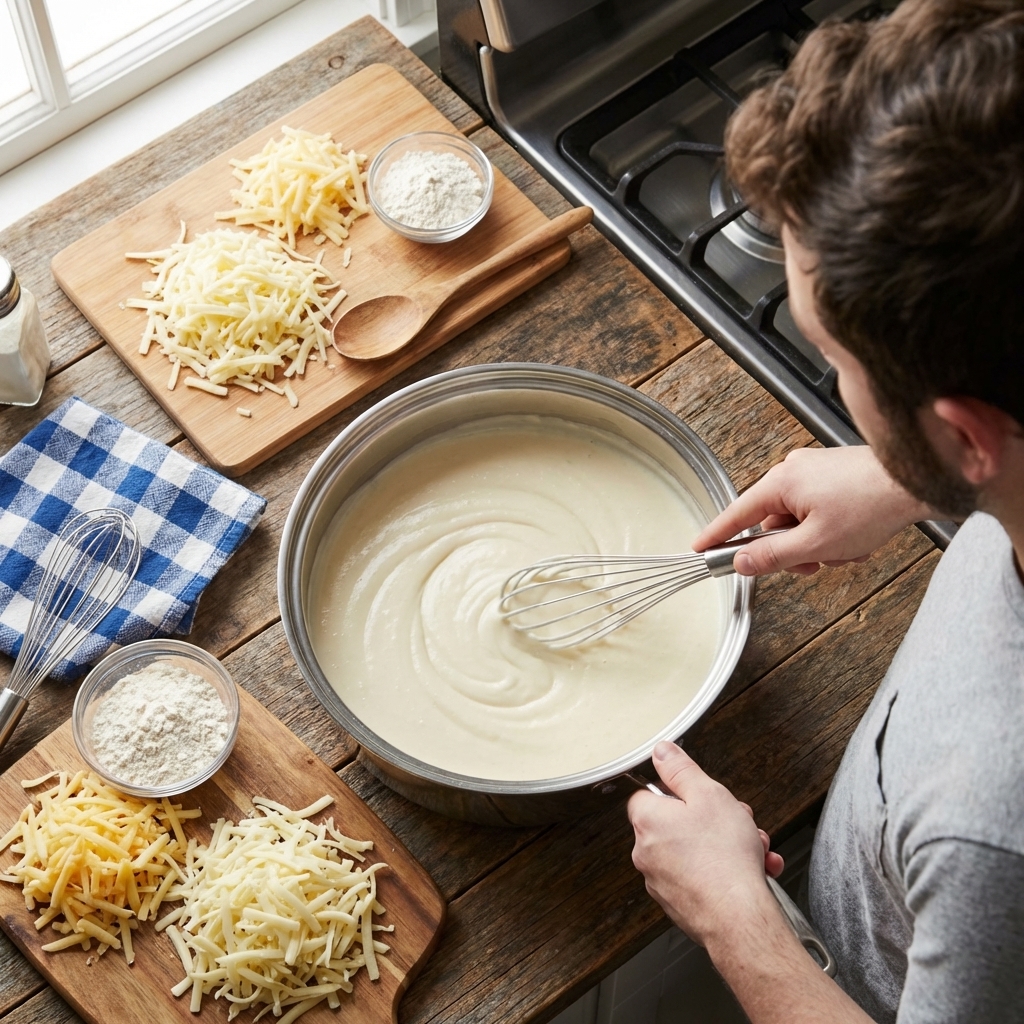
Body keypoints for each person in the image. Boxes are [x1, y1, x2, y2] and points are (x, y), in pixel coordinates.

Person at [626, 1, 1024, 1021]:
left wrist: (734, 918)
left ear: (967, 431)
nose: (834, 384)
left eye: (836, 363)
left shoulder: (993, 836)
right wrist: (910, 474)